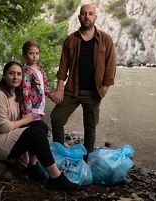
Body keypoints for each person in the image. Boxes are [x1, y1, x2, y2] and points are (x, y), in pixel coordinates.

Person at [0, 61, 78, 191]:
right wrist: (26, 121)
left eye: (19, 74)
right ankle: (57, 178)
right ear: (4, 76)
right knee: (35, 134)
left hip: (7, 133)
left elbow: (38, 94)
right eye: (11, 73)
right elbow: (3, 127)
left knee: (40, 126)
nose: (16, 77)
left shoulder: (17, 92)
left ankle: (32, 165)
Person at [51, 4, 116, 157]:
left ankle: (87, 158)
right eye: (84, 14)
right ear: (79, 17)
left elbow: (111, 65)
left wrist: (105, 88)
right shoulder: (71, 40)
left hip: (94, 91)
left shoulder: (105, 40)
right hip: (72, 89)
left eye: (90, 14)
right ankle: (60, 154)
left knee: (90, 126)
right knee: (56, 119)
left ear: (95, 17)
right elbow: (63, 66)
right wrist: (59, 89)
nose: (87, 16)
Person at [20, 40, 56, 125]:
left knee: (37, 128)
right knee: (34, 128)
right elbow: (25, 93)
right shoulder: (26, 72)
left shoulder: (40, 70)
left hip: (40, 108)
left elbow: (45, 87)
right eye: (31, 53)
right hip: (31, 110)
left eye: (37, 53)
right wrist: (27, 112)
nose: (34, 56)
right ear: (25, 55)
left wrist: (53, 96)